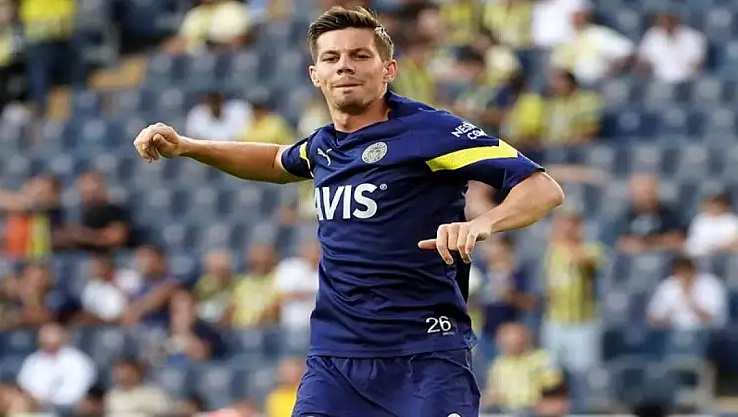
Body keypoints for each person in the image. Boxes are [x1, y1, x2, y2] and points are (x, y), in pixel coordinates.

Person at [133, 6, 564, 417]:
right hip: (335, 362)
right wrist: (188, 146)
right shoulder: (323, 146)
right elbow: (277, 161)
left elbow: (542, 187)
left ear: (388, 69)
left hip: (425, 356)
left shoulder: (432, 131)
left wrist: (483, 222)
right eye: (332, 58)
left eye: (360, 55)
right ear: (315, 75)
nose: (344, 67)